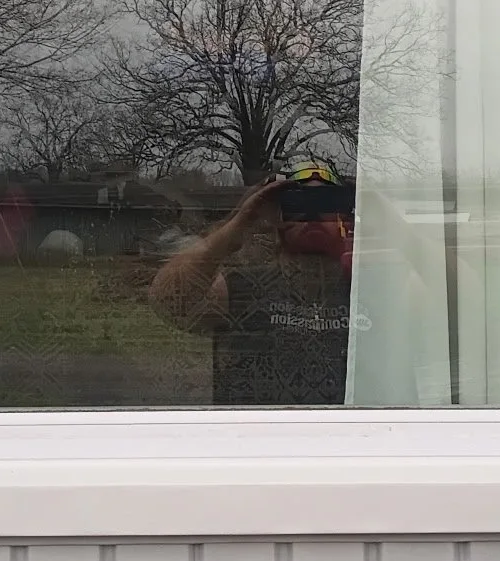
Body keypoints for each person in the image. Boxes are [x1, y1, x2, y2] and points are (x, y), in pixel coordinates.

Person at [147, 174, 356, 406]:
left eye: (326, 202)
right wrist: (238, 223)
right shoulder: (241, 287)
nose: (312, 216)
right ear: (277, 217)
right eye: (297, 203)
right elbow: (168, 303)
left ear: (345, 216)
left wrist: (379, 209)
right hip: (249, 436)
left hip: (350, 435)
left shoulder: (366, 290)